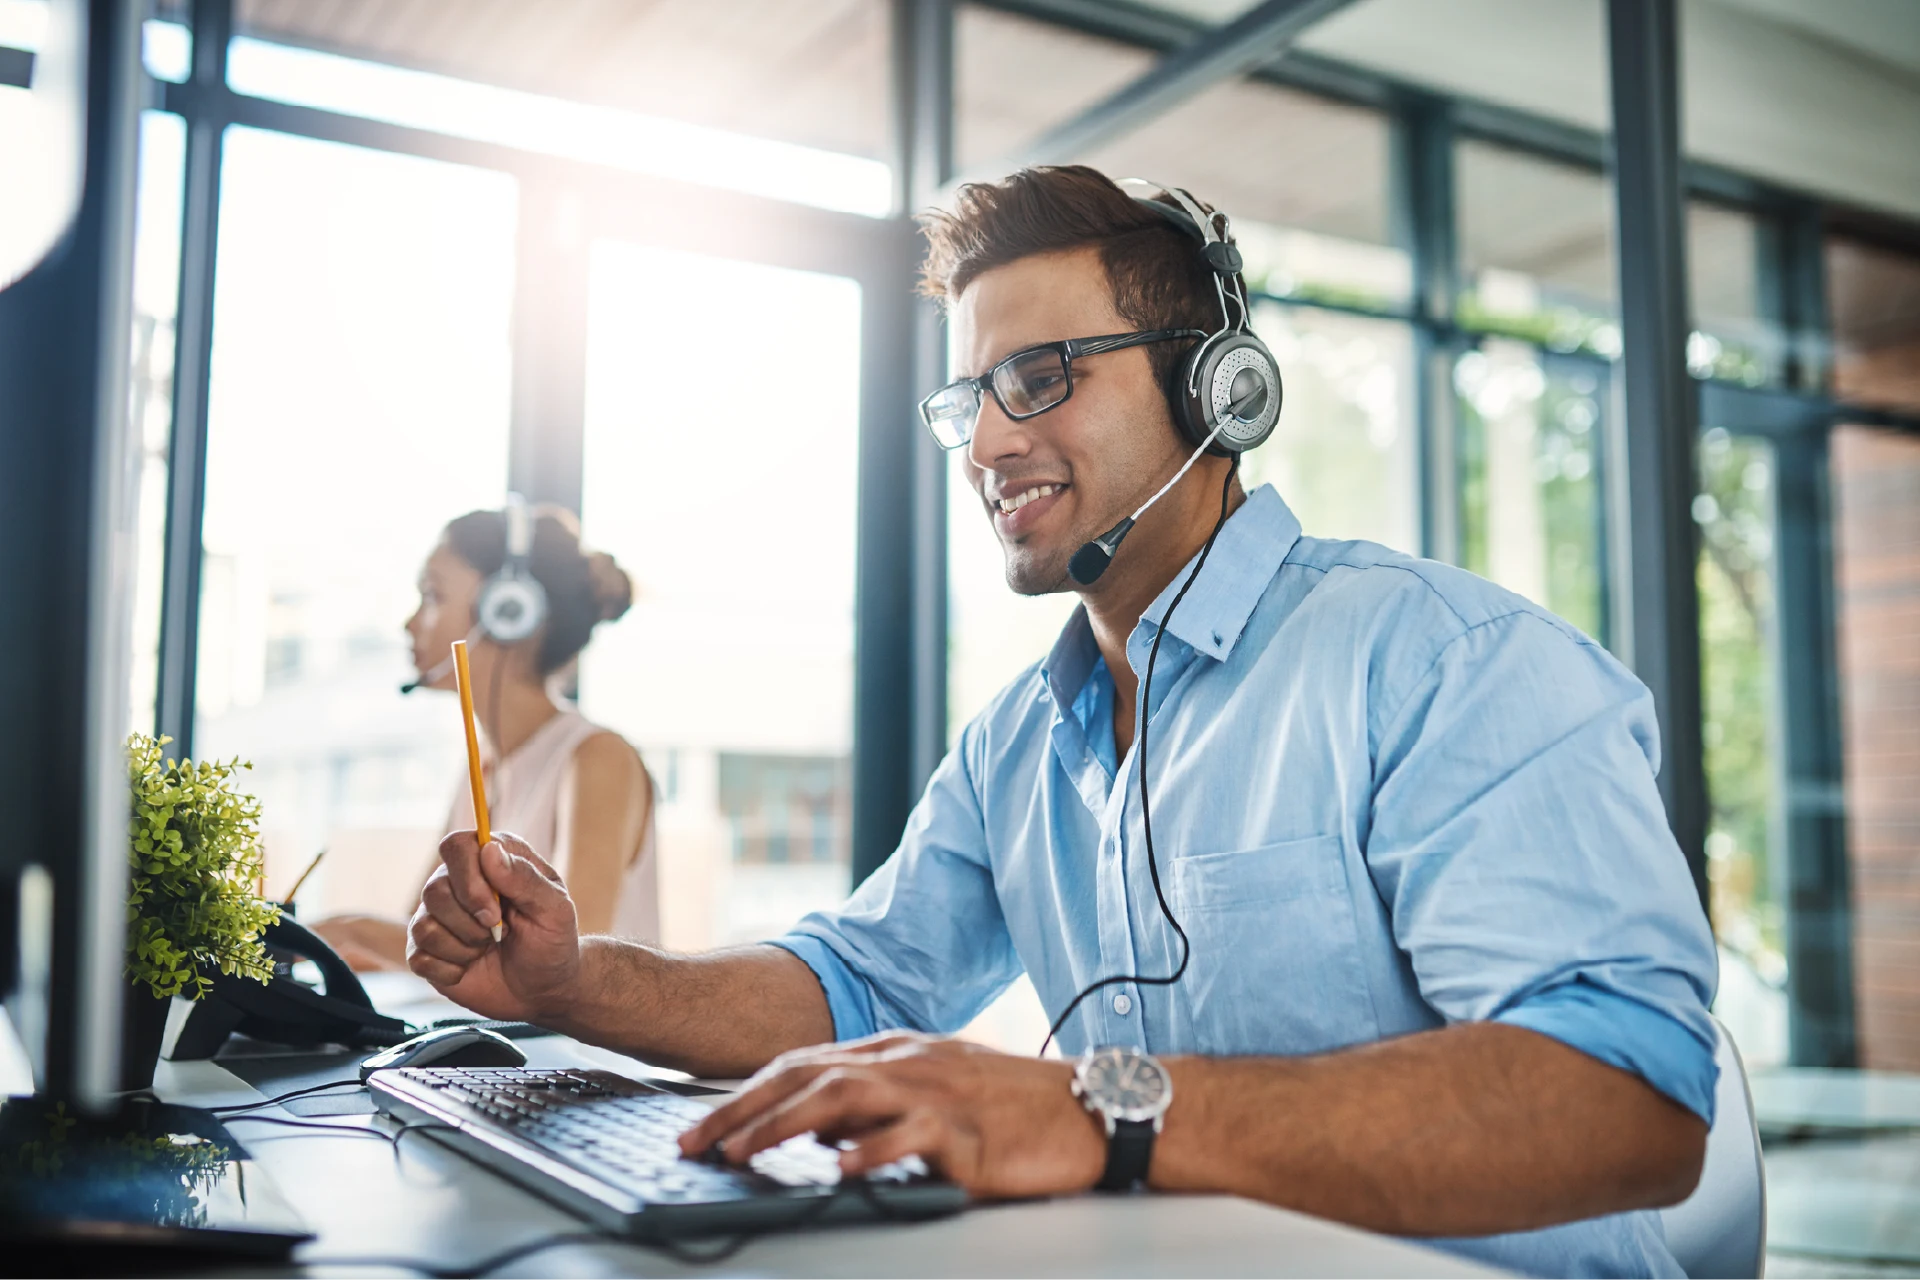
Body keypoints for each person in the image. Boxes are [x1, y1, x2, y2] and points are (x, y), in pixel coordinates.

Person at [404, 168, 1718, 1278]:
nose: (984, 445)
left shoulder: (1445, 661)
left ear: (1218, 394)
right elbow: (852, 983)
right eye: (968, 397)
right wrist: (578, 986)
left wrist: (1096, 1110)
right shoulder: (1018, 742)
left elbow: (1628, 1099)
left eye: (1037, 377)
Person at [314, 505, 659, 970]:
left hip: (577, 1046)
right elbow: (422, 941)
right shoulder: (485, 768)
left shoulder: (598, 759)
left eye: (433, 596)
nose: (410, 623)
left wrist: (349, 929)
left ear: (506, 611)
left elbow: (570, 961)